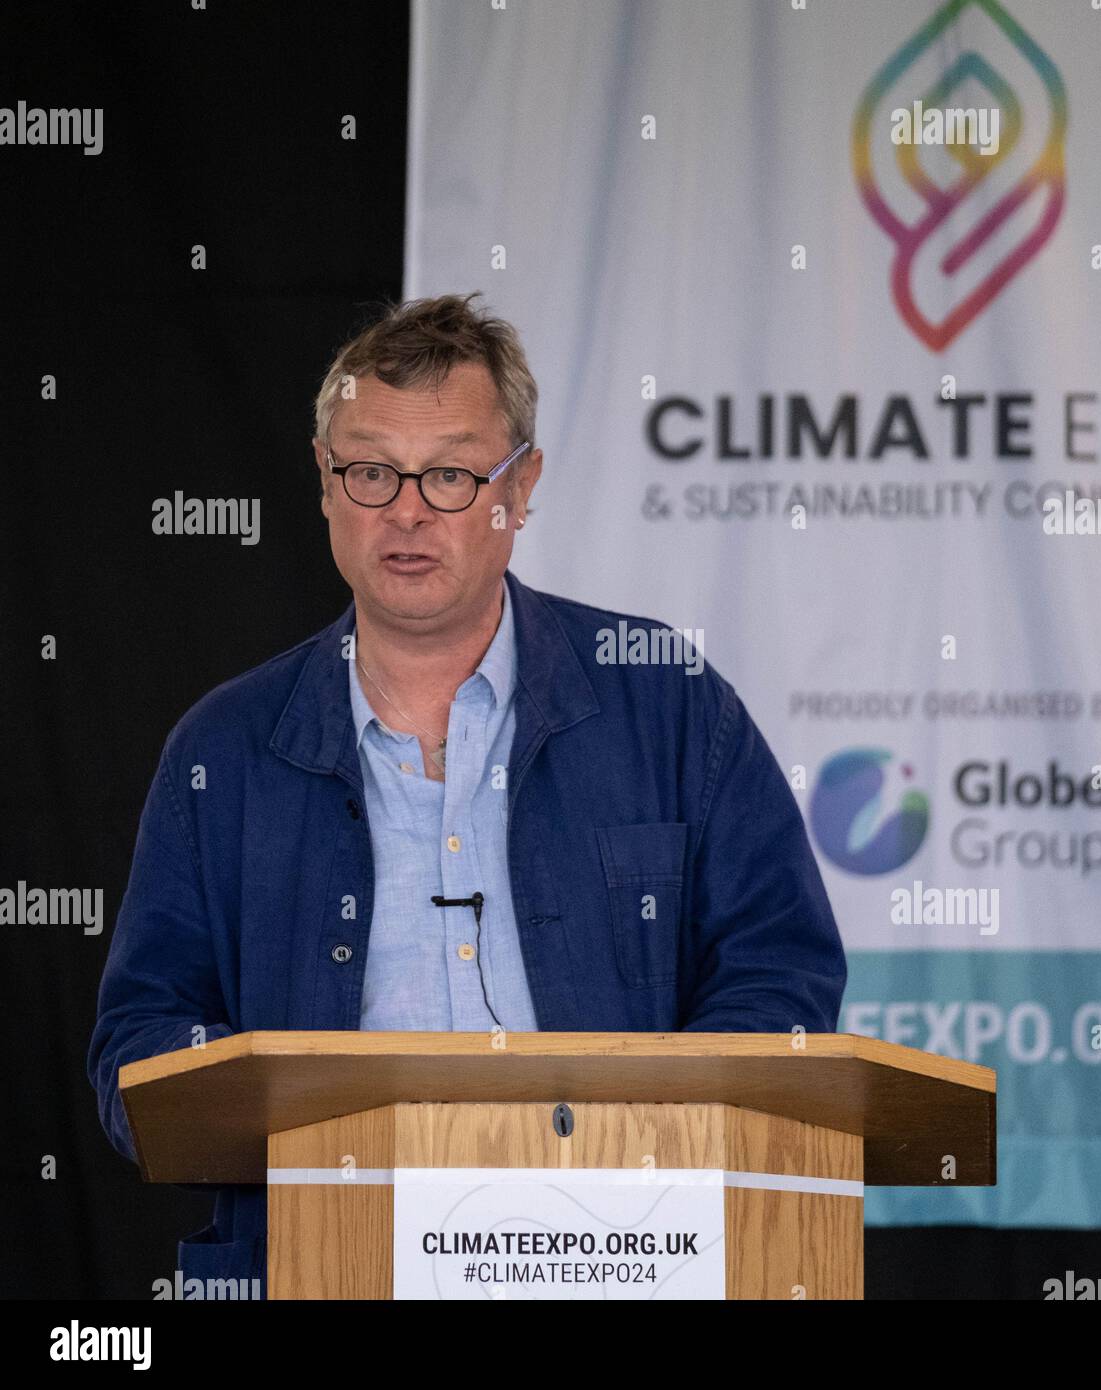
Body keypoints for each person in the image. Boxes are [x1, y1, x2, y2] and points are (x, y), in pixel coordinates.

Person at [87, 293, 846, 1294]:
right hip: (325, 1257)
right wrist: (296, 1110)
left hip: (622, 1253)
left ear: (519, 488)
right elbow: (137, 1047)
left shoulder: (667, 702)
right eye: (370, 472)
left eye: (448, 473)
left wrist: (632, 1143)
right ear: (324, 484)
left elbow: (781, 979)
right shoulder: (223, 748)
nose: (406, 510)